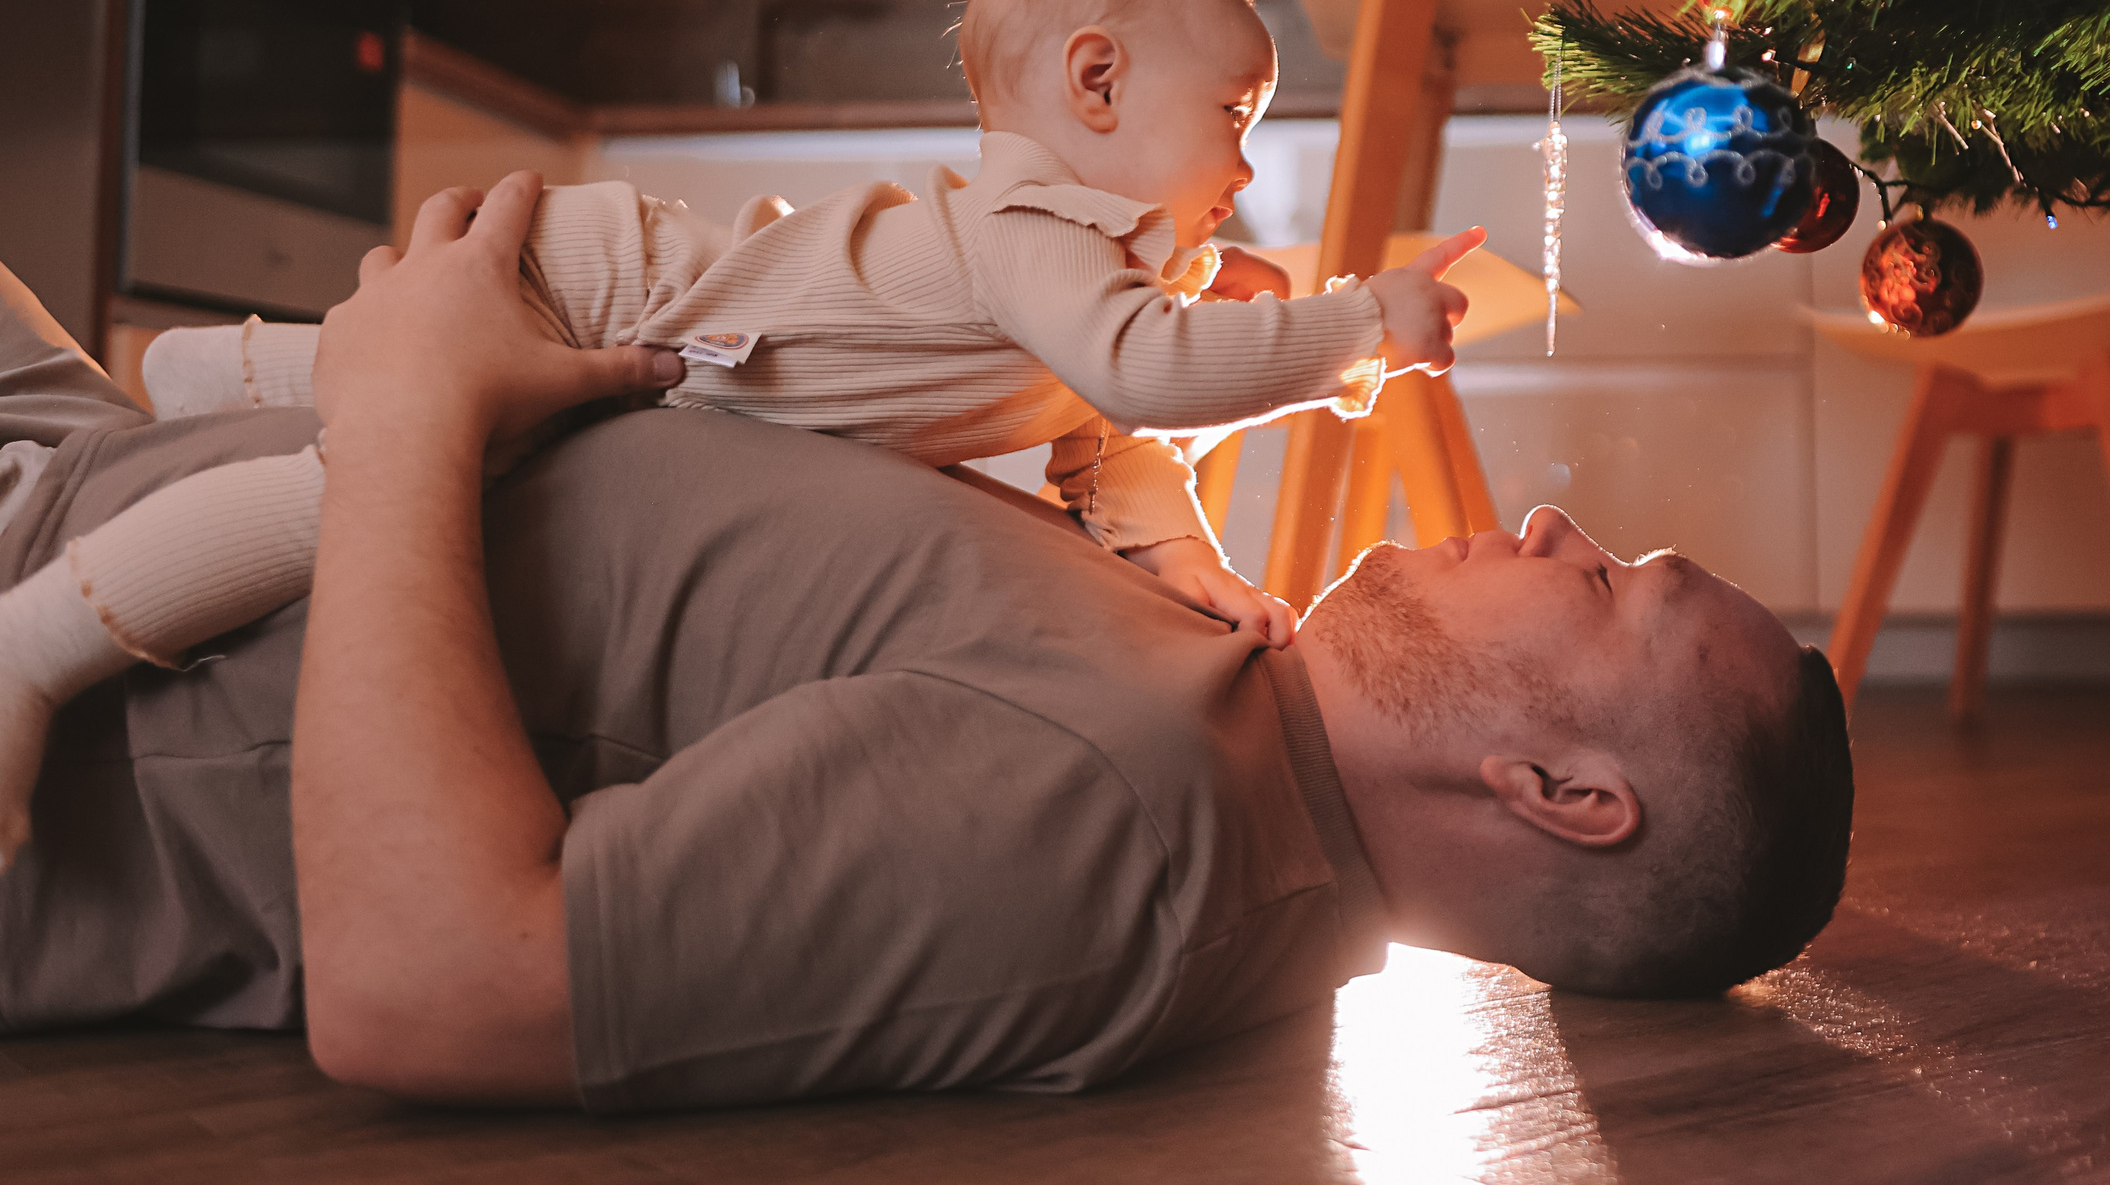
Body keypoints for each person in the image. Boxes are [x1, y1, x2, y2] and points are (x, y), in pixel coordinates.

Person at [0, 175, 1854, 1107]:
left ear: (1555, 792)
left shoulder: (1120, 817)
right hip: (104, 469)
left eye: (1606, 584)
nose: (1549, 524)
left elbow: (435, 986)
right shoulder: (1214, 672)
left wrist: (410, 406)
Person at [0, 0, 1487, 865]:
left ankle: (218, 373)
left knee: (362, 434)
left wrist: (1193, 572)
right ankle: (33, 652)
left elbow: (1106, 448)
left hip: (647, 309)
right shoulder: (1043, 233)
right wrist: (1366, 323)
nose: (1240, 164)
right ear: (1094, 87)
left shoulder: (1076, 277)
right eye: (1230, 115)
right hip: (608, 295)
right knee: (364, 490)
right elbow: (1143, 378)